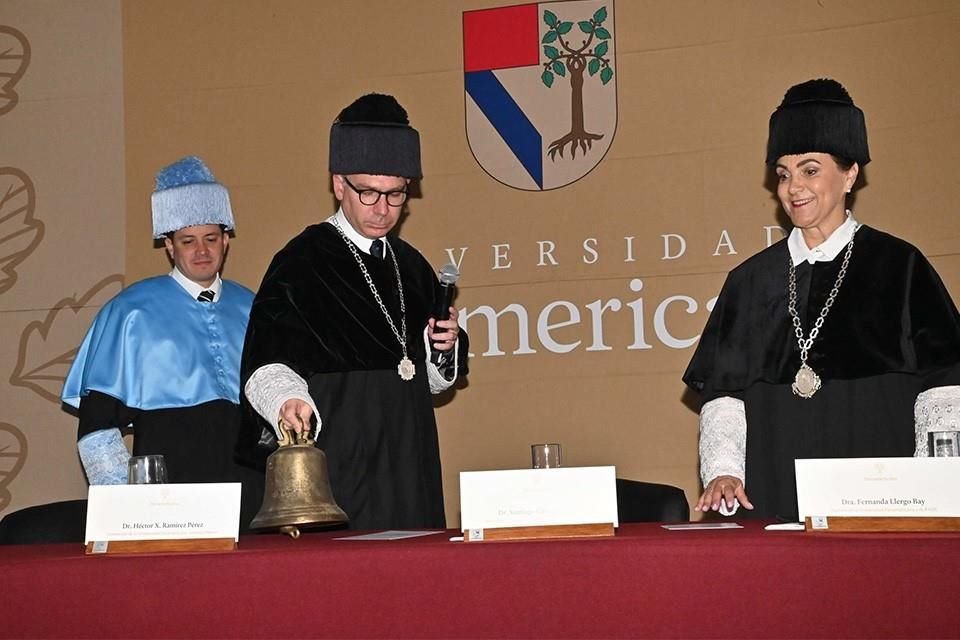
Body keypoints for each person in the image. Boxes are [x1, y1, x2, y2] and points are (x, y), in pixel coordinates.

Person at [683, 79, 960, 521]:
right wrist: (723, 472)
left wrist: (936, 488)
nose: (794, 188)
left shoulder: (900, 266)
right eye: (783, 173)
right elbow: (724, 395)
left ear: (850, 174)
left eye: (810, 170)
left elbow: (944, 387)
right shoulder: (748, 281)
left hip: (881, 506)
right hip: (773, 497)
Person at [238, 93, 468, 530]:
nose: (383, 209)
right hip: (343, 453)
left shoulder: (413, 264)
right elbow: (267, 358)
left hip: (409, 454)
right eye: (368, 193)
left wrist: (443, 346)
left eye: (396, 194)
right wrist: (289, 400)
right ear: (339, 184)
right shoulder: (302, 260)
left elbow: (432, 378)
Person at [62, 156, 262, 524]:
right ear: (169, 245)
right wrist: (126, 515)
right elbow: (98, 430)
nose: (202, 251)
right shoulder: (130, 312)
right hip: (171, 507)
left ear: (227, 239)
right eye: (188, 241)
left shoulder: (254, 307)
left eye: (211, 238)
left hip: (252, 498)